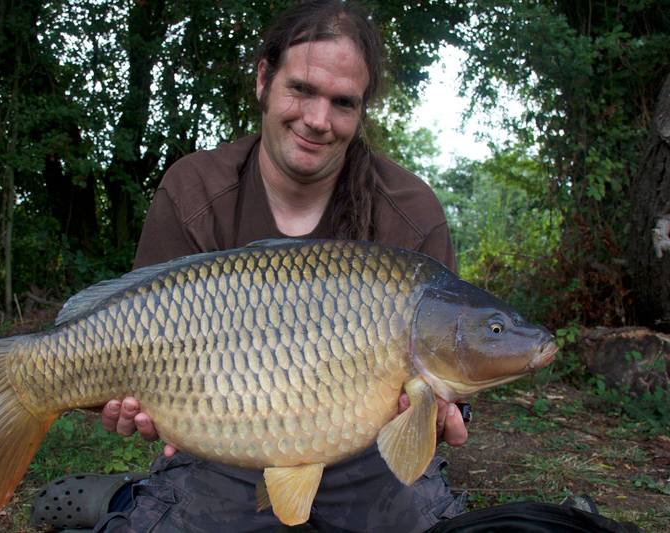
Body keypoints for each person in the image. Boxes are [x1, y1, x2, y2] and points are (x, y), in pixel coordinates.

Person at [32, 1, 468, 531]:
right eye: (302, 89)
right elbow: (132, 343)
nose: (317, 119)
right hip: (225, 449)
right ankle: (127, 501)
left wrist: (445, 413)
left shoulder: (411, 213)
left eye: (342, 103)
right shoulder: (195, 190)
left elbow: (451, 368)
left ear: (360, 112)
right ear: (264, 77)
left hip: (371, 459)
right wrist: (128, 400)